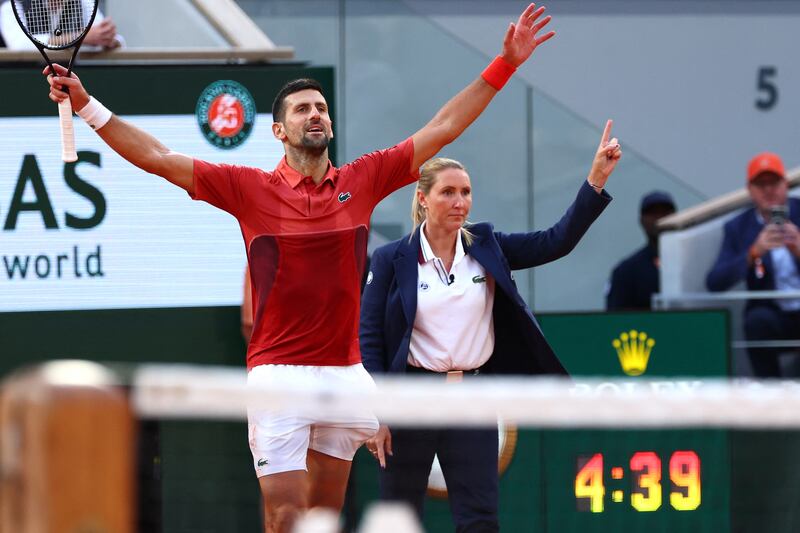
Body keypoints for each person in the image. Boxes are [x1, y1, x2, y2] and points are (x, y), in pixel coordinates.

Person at [43, 4, 555, 532]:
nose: (315, 114)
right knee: (285, 515)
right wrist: (86, 105)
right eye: (302, 110)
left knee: (323, 517)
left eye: (321, 108)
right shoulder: (246, 188)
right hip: (276, 373)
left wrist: (504, 64)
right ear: (279, 131)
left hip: (346, 373)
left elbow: (444, 127)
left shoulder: (366, 177)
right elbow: (157, 157)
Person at [359, 120, 620, 531]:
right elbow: (369, 338)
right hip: (410, 398)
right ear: (423, 198)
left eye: (465, 192)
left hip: (473, 397)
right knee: (398, 518)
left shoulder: (486, 245)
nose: (459, 201)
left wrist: (595, 181)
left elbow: (556, 240)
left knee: (480, 518)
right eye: (448, 192)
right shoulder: (391, 258)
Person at [707, 152, 800, 378]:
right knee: (756, 321)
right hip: (771, 315)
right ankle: (770, 401)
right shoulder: (738, 227)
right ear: (750, 190)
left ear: (786, 185)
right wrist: (752, 252)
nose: (769, 190)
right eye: (761, 184)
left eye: (774, 183)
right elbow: (714, 281)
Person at [606, 190, 676, 310]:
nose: (659, 218)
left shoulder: (694, 262)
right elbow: (615, 320)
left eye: (665, 212)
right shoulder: (626, 271)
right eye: (653, 213)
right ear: (641, 220)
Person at [0, 0, 124, 51]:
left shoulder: (85, 2)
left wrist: (110, 39)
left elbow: (115, 40)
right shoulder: (13, 3)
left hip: (72, 79)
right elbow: (19, 44)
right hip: (21, 81)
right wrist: (78, 38)